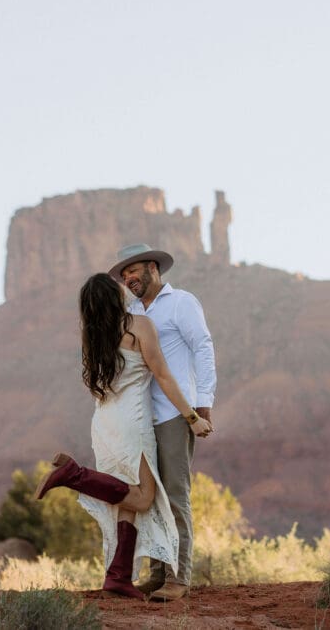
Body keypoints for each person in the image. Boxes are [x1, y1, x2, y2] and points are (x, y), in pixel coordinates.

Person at [34, 273, 213, 600]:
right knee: (144, 497)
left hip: (104, 424)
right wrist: (192, 416)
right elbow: (162, 373)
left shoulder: (94, 337)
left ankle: (118, 576)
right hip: (133, 422)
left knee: (124, 498)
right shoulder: (139, 326)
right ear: (114, 298)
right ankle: (74, 475)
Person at [109, 243, 216, 602]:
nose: (128, 279)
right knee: (149, 498)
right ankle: (156, 575)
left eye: (133, 271)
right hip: (141, 416)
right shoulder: (132, 311)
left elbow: (202, 347)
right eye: (124, 276)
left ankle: (179, 577)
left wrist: (203, 404)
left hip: (174, 413)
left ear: (153, 267)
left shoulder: (182, 302)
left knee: (174, 496)